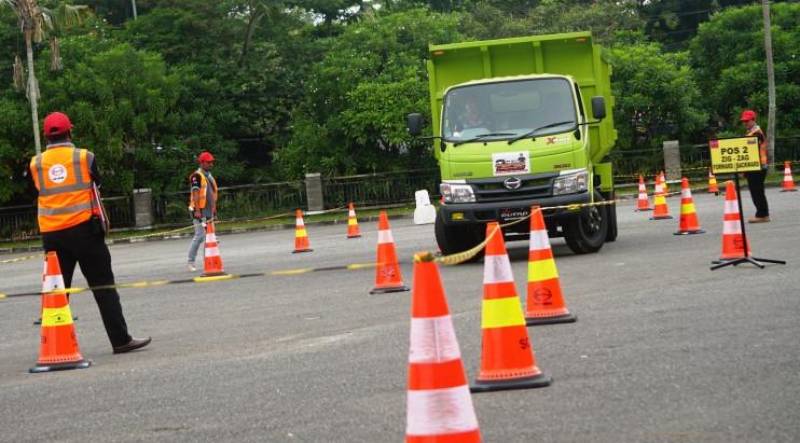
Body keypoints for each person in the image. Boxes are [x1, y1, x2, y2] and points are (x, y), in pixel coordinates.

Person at [29, 112, 151, 354]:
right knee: (104, 288)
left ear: (45, 136)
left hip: (52, 236)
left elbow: (36, 190)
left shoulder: (35, 164)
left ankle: (53, 346)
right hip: (85, 232)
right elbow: (97, 184)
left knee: (56, 292)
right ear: (70, 131)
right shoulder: (85, 157)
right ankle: (120, 340)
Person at [187, 151, 218, 272]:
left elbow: (211, 194)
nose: (211, 164)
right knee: (200, 236)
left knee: (210, 237)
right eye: (209, 162)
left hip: (208, 211)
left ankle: (208, 261)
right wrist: (197, 211)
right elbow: (195, 193)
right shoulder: (197, 176)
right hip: (199, 211)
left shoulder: (208, 176)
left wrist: (214, 210)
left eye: (212, 162)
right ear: (202, 163)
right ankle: (191, 262)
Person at [740, 109, 770, 223]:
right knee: (756, 191)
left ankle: (762, 215)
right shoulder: (751, 132)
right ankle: (762, 214)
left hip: (758, 166)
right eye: (744, 121)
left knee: (757, 191)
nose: (745, 123)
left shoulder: (756, 133)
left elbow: (751, 151)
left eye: (747, 121)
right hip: (754, 166)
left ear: (753, 120)